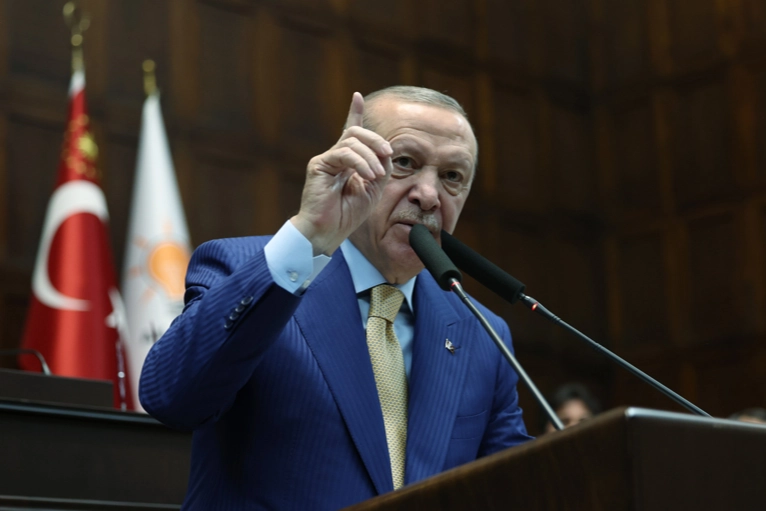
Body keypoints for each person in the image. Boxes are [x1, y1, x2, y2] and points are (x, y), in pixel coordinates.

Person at [139, 86, 533, 510]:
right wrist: (309, 233)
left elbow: (516, 488)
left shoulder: (482, 333)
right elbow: (171, 398)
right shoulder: (247, 270)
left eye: (452, 176)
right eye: (404, 163)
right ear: (354, 164)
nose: (429, 195)